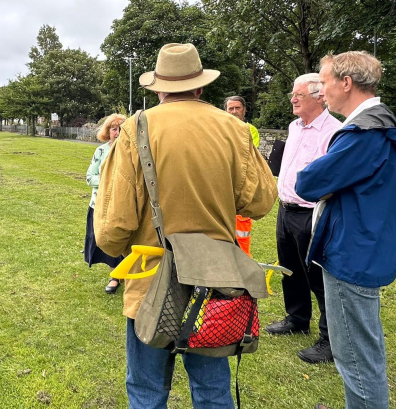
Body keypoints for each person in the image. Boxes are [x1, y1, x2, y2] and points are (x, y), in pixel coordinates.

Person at [95, 43, 277, 409]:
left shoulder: (134, 130)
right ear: (200, 86)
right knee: (212, 391)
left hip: (151, 280)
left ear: (158, 88)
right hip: (216, 285)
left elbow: (113, 228)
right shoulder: (235, 129)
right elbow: (260, 202)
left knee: (146, 391)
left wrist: (118, 253)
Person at [295, 52, 396, 409]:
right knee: (361, 345)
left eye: (325, 82)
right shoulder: (377, 126)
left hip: (352, 253)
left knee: (355, 355)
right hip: (365, 245)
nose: (321, 91)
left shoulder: (365, 133)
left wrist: (321, 173)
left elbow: (309, 182)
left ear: (346, 83)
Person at [265, 73, 341, 365]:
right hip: (286, 209)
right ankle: (297, 318)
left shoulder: (334, 131)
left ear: (319, 97)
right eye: (292, 95)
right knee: (290, 269)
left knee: (318, 276)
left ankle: (330, 339)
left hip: (312, 212)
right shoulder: (294, 127)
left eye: (299, 95)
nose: (293, 99)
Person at [85, 113, 127, 294]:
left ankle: (125, 274)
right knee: (108, 240)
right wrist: (109, 180)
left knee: (125, 239)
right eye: (113, 129)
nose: (117, 133)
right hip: (101, 205)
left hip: (124, 204)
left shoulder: (130, 151)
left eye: (121, 129)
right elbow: (89, 178)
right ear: (107, 131)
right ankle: (115, 276)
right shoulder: (101, 151)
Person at [225, 95, 260, 256]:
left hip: (242, 188)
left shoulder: (250, 130)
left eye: (237, 108)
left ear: (244, 110)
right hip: (222, 187)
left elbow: (247, 158)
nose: (234, 112)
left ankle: (244, 261)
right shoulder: (219, 129)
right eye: (230, 108)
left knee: (242, 229)